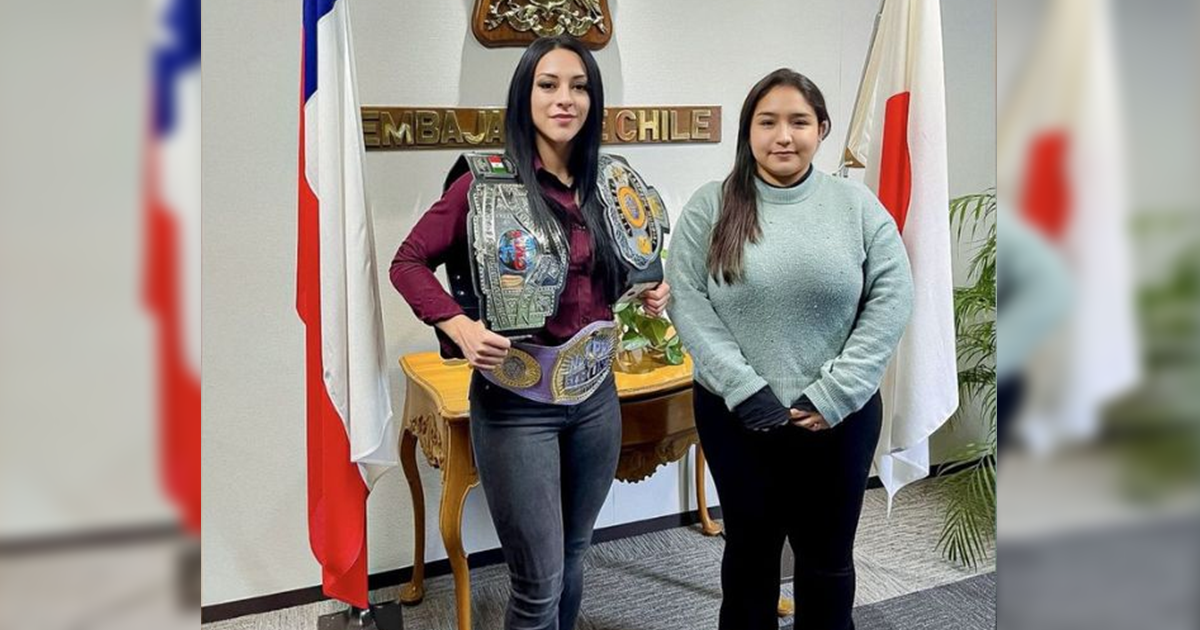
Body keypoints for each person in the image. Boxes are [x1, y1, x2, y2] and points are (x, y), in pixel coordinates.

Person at [389, 35, 669, 630]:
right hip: (517, 403)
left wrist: (651, 287)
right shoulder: (483, 183)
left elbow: (629, 266)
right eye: (549, 85)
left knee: (573, 556)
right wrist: (457, 324)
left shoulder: (611, 182)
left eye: (579, 87)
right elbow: (407, 262)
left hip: (596, 398)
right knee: (538, 583)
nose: (565, 98)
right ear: (525, 95)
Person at [665, 68, 914, 630]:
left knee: (827, 562)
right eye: (768, 122)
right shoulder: (711, 206)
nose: (783, 136)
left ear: (821, 129)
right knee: (749, 559)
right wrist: (742, 387)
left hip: (838, 418)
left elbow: (893, 298)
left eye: (799, 122)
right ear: (748, 131)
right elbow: (687, 300)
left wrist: (836, 393)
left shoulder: (856, 206)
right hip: (737, 417)